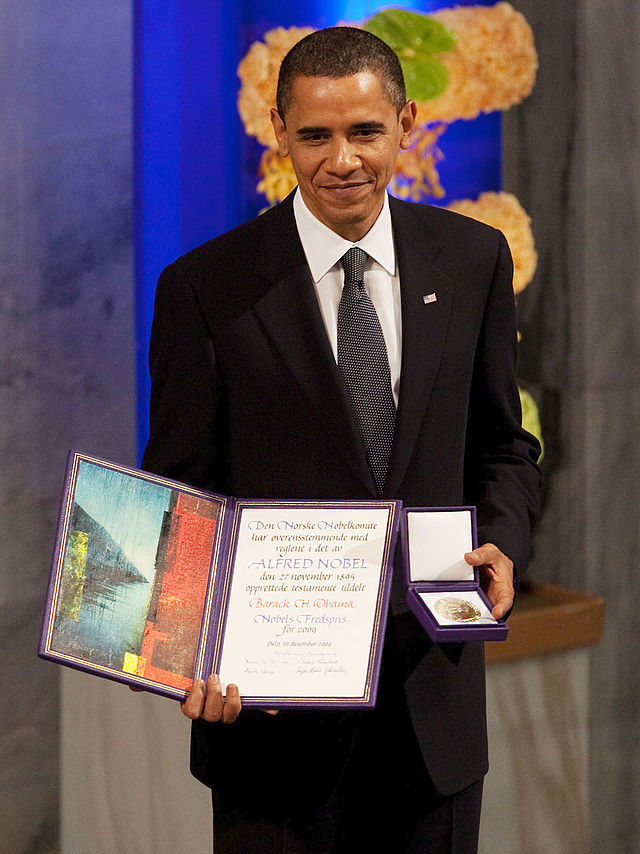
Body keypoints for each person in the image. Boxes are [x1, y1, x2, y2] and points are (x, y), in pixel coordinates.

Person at [142, 26, 541, 854]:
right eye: (316, 135)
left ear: (407, 123)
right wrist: (186, 650)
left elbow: (505, 446)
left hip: (433, 719)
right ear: (280, 133)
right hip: (270, 730)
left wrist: (503, 541)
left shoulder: (473, 260)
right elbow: (181, 497)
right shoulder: (204, 288)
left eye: (365, 132)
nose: (342, 160)